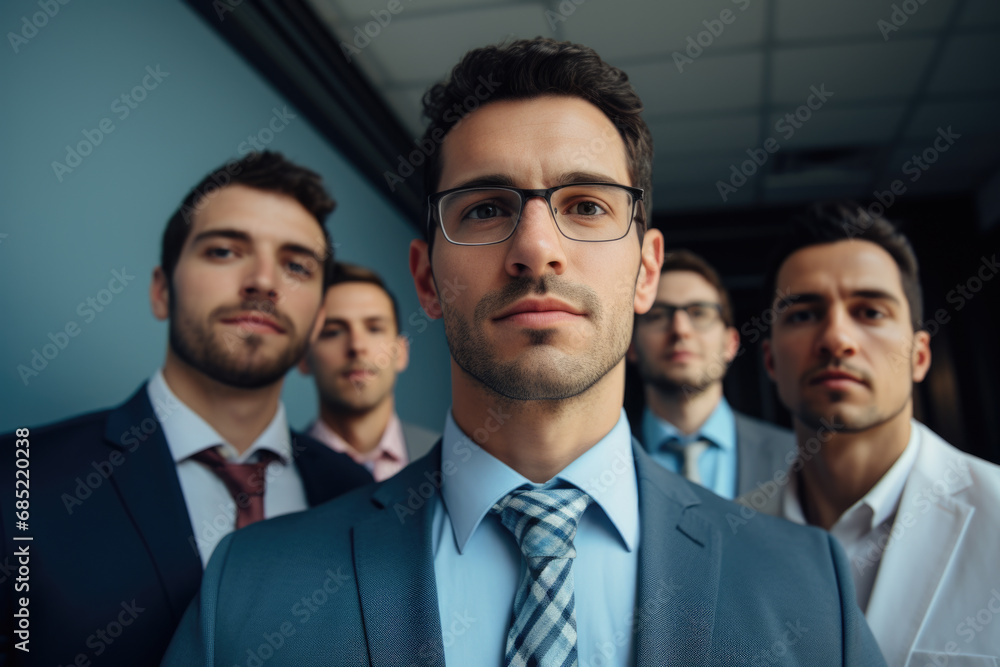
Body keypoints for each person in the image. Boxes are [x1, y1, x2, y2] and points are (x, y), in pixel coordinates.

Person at [164, 39, 885, 666]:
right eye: (484, 208)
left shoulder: (808, 585)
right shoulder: (252, 587)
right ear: (426, 278)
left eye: (586, 205)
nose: (537, 248)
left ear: (645, 269)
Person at [0, 152, 373, 666]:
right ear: (161, 291)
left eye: (296, 266)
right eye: (224, 251)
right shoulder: (17, 477)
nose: (264, 282)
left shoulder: (361, 497)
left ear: (317, 320)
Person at [747, 202, 1000, 665]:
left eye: (869, 311)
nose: (836, 338)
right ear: (769, 362)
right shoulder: (730, 537)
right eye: (803, 314)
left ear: (919, 356)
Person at [628, 249, 794, 499]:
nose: (680, 330)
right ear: (630, 346)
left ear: (731, 344)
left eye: (699, 313)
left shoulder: (795, 457)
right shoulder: (603, 463)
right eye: (658, 314)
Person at [298, 262, 438, 480]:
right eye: (333, 332)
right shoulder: (278, 474)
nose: (356, 346)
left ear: (401, 353)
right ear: (303, 358)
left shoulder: (449, 461)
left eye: (374, 328)